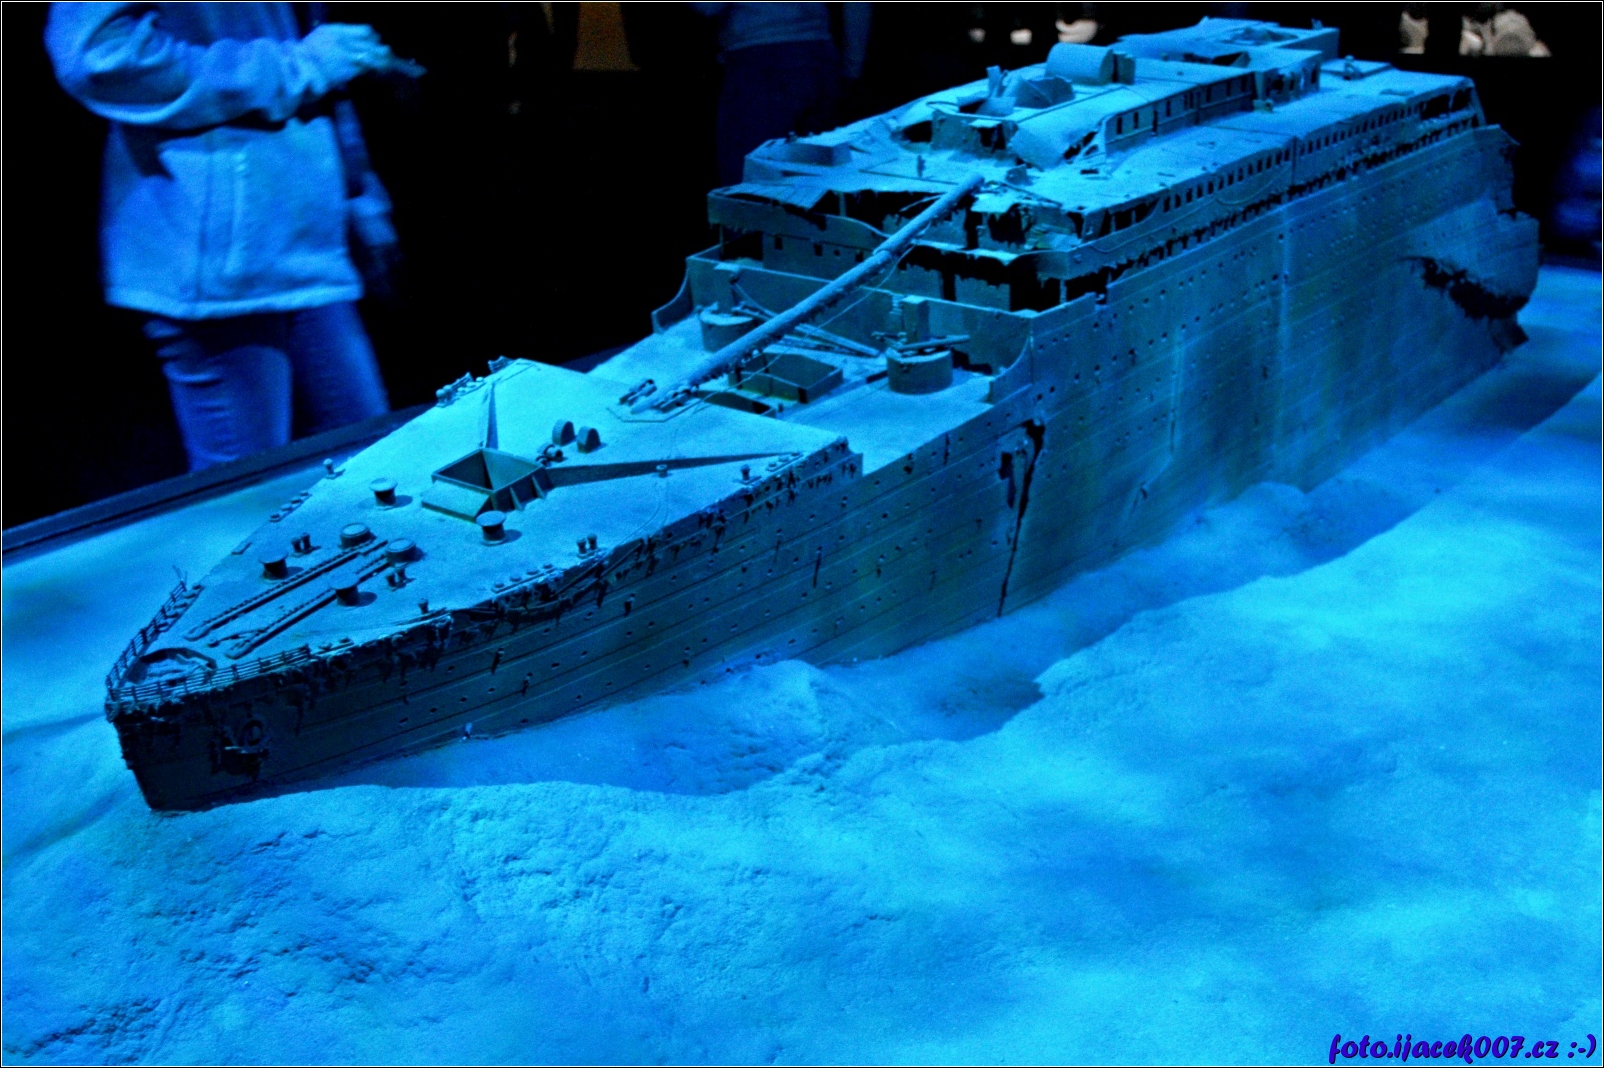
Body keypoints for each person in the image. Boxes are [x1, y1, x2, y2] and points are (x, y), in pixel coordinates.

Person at [45, 3, 418, 471]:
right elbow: (101, 57)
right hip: (215, 259)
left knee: (369, 470)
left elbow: (312, 44)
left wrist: (357, 191)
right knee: (244, 496)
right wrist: (301, 65)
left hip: (306, 245)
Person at [691, 2, 871, 185]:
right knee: (817, 175)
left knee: (751, 177)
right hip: (818, 55)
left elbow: (706, 6)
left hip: (756, 59)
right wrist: (853, 68)